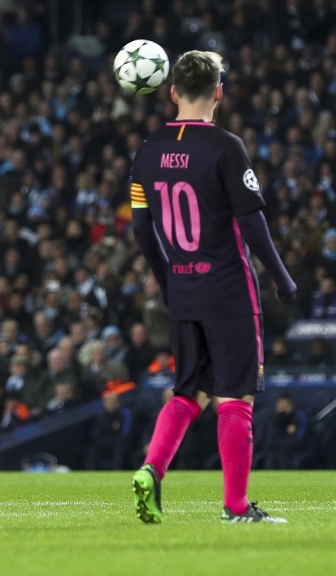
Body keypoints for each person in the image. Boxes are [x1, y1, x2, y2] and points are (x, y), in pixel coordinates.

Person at [129, 51, 295, 524]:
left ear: (173, 91)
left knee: (188, 391)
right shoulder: (226, 147)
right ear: (219, 92)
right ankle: (237, 507)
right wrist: (282, 279)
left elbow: (143, 231)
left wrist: (168, 282)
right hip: (227, 289)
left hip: (182, 290)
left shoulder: (147, 151)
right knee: (235, 397)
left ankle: (151, 469)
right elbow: (253, 222)